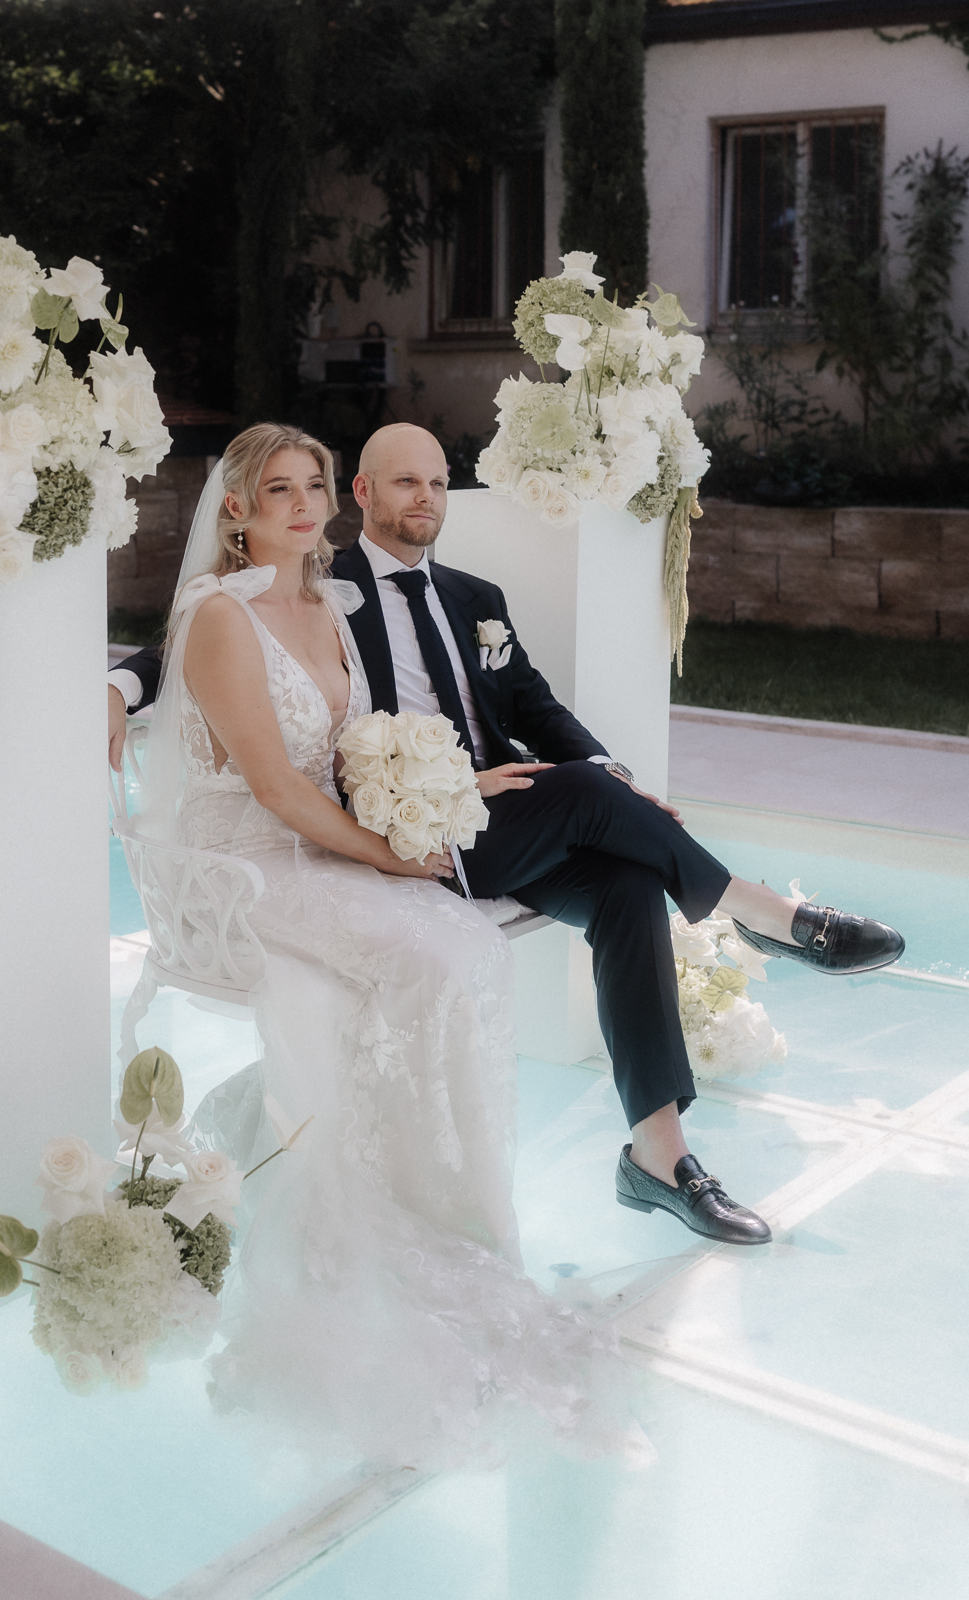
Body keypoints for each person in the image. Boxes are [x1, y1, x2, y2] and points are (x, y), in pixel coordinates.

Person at [111, 423, 904, 1254]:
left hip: (503, 818)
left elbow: (534, 707)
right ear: (365, 494)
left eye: (437, 482)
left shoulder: (473, 597)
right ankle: (758, 911)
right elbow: (198, 643)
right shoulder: (323, 580)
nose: (425, 497)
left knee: (628, 883)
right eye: (404, 482)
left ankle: (659, 1156)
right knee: (588, 798)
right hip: (405, 831)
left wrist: (613, 780)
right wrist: (117, 685)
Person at [135, 421, 646, 1468]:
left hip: (326, 841)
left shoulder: (329, 603)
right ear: (236, 510)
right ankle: (390, 1207)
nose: (302, 505)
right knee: (435, 951)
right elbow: (275, 788)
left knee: (468, 946)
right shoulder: (220, 617)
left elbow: (353, 756)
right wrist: (390, 855)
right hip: (252, 860)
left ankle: (453, 1203)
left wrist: (451, 789)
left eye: (313, 485)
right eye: (279, 490)